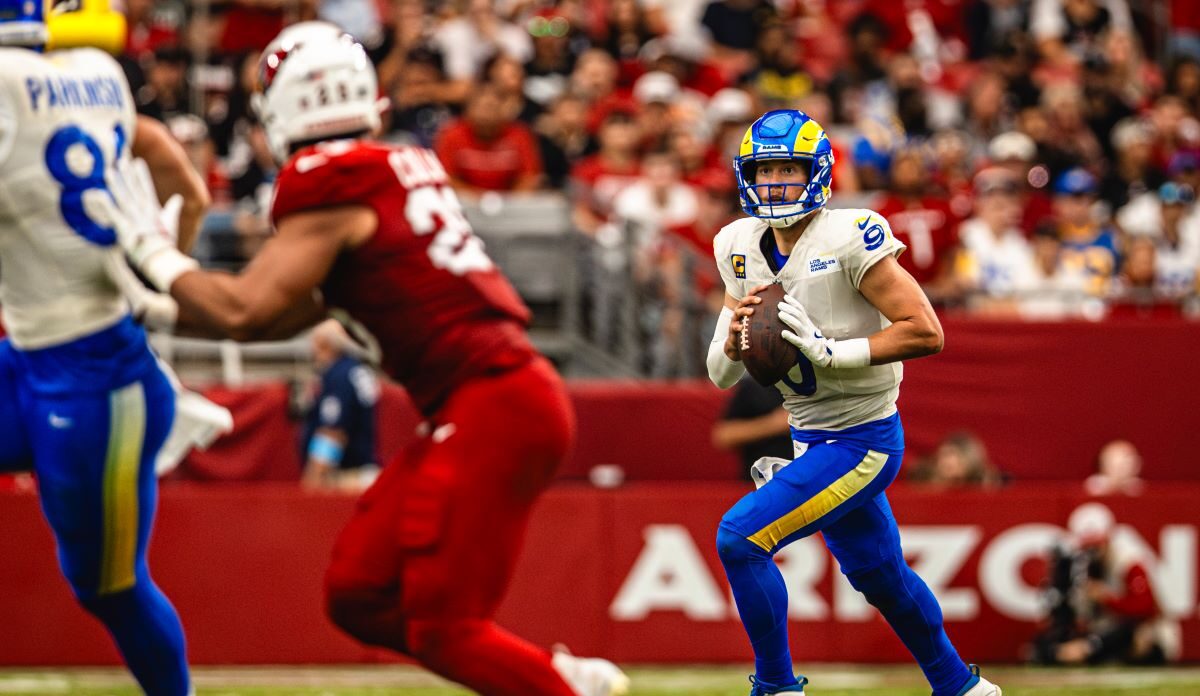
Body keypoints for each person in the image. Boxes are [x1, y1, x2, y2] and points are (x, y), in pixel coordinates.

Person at [101, 22, 628, 696]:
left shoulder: (333, 179)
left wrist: (150, 249)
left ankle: (558, 689)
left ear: (284, 104)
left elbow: (243, 310)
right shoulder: (387, 169)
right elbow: (274, 315)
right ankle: (551, 678)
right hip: (494, 399)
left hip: (492, 402)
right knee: (357, 592)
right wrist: (151, 301)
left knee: (445, 626)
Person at [705, 109, 1000, 696]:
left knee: (740, 538)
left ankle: (776, 687)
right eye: (766, 171)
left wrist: (834, 351)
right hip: (809, 435)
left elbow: (926, 330)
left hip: (864, 438)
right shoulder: (736, 244)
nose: (776, 184)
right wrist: (735, 337)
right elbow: (720, 374)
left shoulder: (849, 235)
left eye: (789, 168)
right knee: (881, 576)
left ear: (817, 172)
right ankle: (961, 688)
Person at [0, 1, 231, 693]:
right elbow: (185, 185)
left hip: (95, 385)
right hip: (37, 354)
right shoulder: (98, 73)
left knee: (108, 588)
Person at [300, 320, 380, 492]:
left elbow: (333, 431)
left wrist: (315, 477)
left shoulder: (338, 375)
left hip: (346, 475)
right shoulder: (356, 368)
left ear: (325, 344)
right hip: (362, 468)